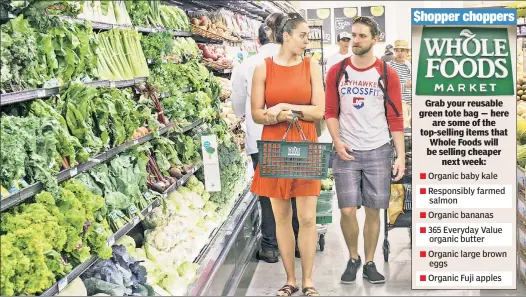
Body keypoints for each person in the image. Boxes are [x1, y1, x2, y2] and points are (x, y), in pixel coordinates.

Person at [324, 16, 405, 285]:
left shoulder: (386, 73)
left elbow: (395, 117)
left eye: (362, 36)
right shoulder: (337, 71)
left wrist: (401, 155)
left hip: (378, 149)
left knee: (373, 209)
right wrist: (336, 140)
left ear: (375, 39)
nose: (356, 40)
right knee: (347, 210)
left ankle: (369, 262)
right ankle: (353, 256)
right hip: (346, 148)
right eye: (354, 35)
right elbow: (330, 112)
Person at [250, 12, 325, 297]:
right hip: (275, 145)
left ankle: (309, 281)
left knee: (306, 218)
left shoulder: (312, 66)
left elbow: (319, 110)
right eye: (303, 35)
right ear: (287, 35)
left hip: (306, 144)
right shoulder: (263, 69)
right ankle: (290, 280)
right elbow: (258, 114)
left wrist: (283, 107)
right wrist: (273, 116)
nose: (307, 40)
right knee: (282, 218)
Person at [230, 16, 301, 264]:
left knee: (269, 193)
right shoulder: (299, 62)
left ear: (260, 38)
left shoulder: (247, 65)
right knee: (295, 189)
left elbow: (238, 106)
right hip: (294, 136)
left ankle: (270, 247)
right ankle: (298, 243)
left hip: (260, 137)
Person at [389, 40, 412, 128]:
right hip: (400, 102)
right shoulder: (390, 67)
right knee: (405, 129)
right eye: (397, 50)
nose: (399, 53)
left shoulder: (409, 65)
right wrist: (405, 86)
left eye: (402, 50)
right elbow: (389, 87)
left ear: (407, 52)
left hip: (411, 101)